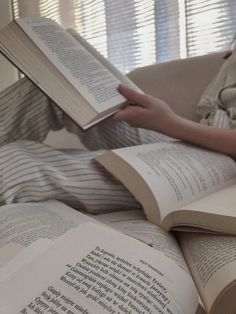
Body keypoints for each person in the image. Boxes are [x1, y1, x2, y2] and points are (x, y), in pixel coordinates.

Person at [0, 48, 235, 211]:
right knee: (53, 90)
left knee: (13, 166)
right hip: (197, 142)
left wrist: (168, 122)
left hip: (224, 168)